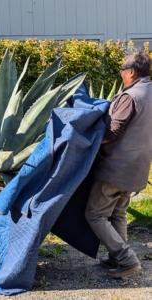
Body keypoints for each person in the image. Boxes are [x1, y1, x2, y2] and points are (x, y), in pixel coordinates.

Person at [85, 50, 152, 278]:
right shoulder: (149, 92)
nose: (121, 73)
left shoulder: (130, 96)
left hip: (116, 167)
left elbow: (112, 132)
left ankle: (126, 259)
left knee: (95, 214)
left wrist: (88, 136)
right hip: (137, 167)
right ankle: (116, 258)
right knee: (117, 214)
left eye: (122, 69)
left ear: (131, 72)